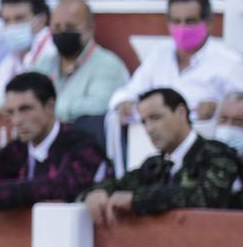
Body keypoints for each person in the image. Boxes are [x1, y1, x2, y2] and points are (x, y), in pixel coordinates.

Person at [0, 72, 108, 229]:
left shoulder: (82, 143)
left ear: (50, 107)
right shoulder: (18, 149)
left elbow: (61, 187)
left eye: (25, 109)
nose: (16, 121)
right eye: (11, 112)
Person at [85, 87, 241, 226]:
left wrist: (137, 200)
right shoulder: (155, 164)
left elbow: (205, 197)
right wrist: (99, 192)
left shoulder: (219, 155)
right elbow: (119, 185)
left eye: (155, 118)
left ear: (181, 113)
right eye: (144, 122)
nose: (149, 129)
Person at [108, 0, 241, 131]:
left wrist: (218, 108)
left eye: (190, 21)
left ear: (208, 23)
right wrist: (124, 102)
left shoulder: (229, 62)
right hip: (151, 141)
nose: (182, 28)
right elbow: (130, 90)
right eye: (176, 21)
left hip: (205, 143)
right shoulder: (160, 54)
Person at [33, 0, 130, 123]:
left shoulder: (108, 64)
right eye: (56, 27)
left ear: (90, 28)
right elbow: (25, 95)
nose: (62, 32)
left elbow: (99, 106)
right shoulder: (45, 63)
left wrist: (44, 110)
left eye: (70, 27)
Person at [0, 0, 55, 115]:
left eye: (19, 19)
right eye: (7, 20)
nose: (12, 26)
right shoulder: (10, 57)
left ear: (42, 18)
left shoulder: (54, 50)